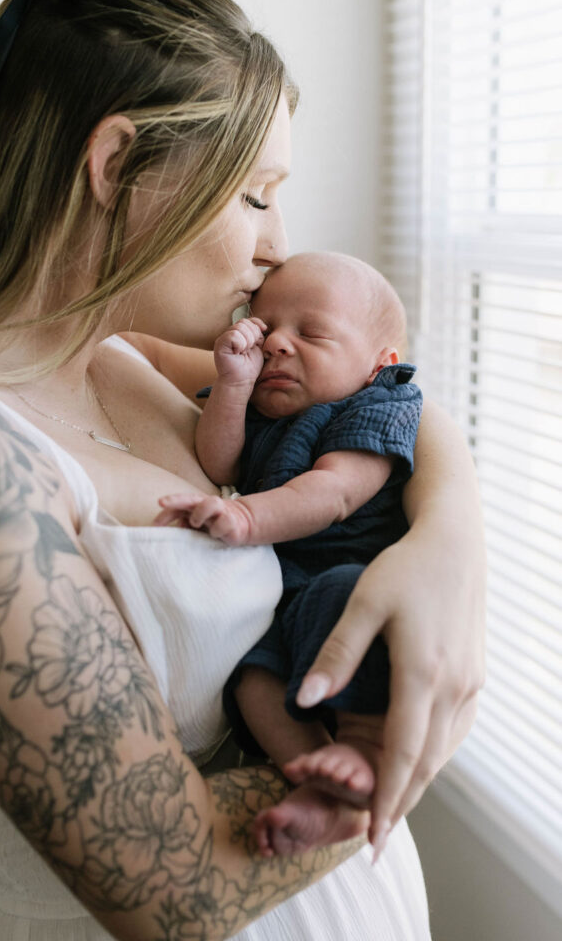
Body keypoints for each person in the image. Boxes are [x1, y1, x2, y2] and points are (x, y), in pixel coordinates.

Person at [0, 0, 485, 941]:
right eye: (254, 195)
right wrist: (391, 743)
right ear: (114, 164)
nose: (274, 245)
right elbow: (181, 886)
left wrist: (447, 543)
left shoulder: (118, 359)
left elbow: (377, 391)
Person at [156, 251, 422, 859]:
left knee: (343, 597)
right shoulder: (257, 401)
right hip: (288, 602)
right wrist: (232, 384)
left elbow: (332, 493)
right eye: (264, 326)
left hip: (346, 590)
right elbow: (219, 462)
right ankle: (312, 776)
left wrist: (246, 516)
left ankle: (360, 745)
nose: (277, 344)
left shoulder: (379, 405)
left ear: (381, 363)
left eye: (312, 332)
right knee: (253, 679)